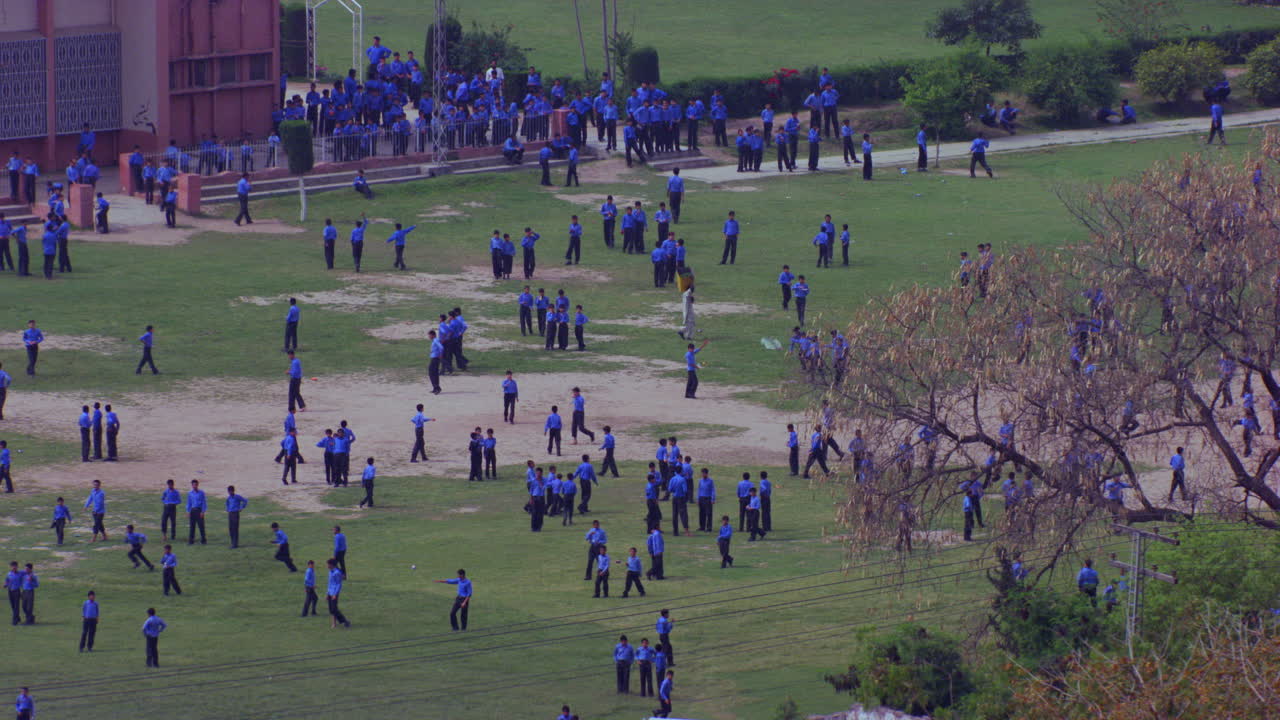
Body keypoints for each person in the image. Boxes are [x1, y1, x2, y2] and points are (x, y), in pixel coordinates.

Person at [326, 558, 351, 628]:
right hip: (330, 592)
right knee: (331, 609)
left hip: (334, 593)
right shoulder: (330, 572)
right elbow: (330, 583)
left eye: (328, 564)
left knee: (334, 609)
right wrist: (327, 593)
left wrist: (335, 594)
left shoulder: (337, 573)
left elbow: (338, 584)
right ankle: (337, 623)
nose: (327, 566)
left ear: (331, 565)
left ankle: (345, 621)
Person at [186, 479, 207, 545]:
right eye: (193, 485)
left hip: (199, 510)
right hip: (193, 510)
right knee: (192, 526)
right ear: (192, 485)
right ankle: (191, 541)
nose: (194, 486)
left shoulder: (201, 493)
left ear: (197, 485)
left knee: (201, 526)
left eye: (196, 485)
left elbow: (204, 502)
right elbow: (189, 503)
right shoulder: (190, 493)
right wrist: (188, 511)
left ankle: (203, 540)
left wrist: (203, 512)